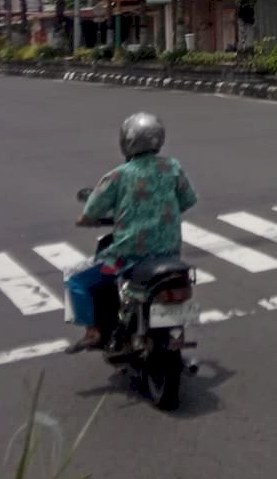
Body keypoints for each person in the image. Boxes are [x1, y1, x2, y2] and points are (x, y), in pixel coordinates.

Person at [66, 113, 199, 354]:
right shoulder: (173, 167)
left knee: (76, 279)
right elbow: (188, 200)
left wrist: (85, 220)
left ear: (127, 141)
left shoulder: (119, 175)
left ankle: (93, 332)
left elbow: (91, 210)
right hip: (169, 254)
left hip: (127, 257)